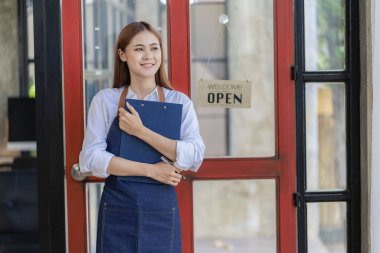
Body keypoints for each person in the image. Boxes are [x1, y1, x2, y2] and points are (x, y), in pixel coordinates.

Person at [79, 21, 205, 252]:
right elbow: (91, 158)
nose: (148, 56)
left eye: (154, 48)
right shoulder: (105, 100)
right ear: (122, 54)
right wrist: (151, 170)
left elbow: (194, 156)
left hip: (161, 209)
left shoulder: (180, 102)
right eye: (139, 49)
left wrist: (140, 131)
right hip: (118, 207)